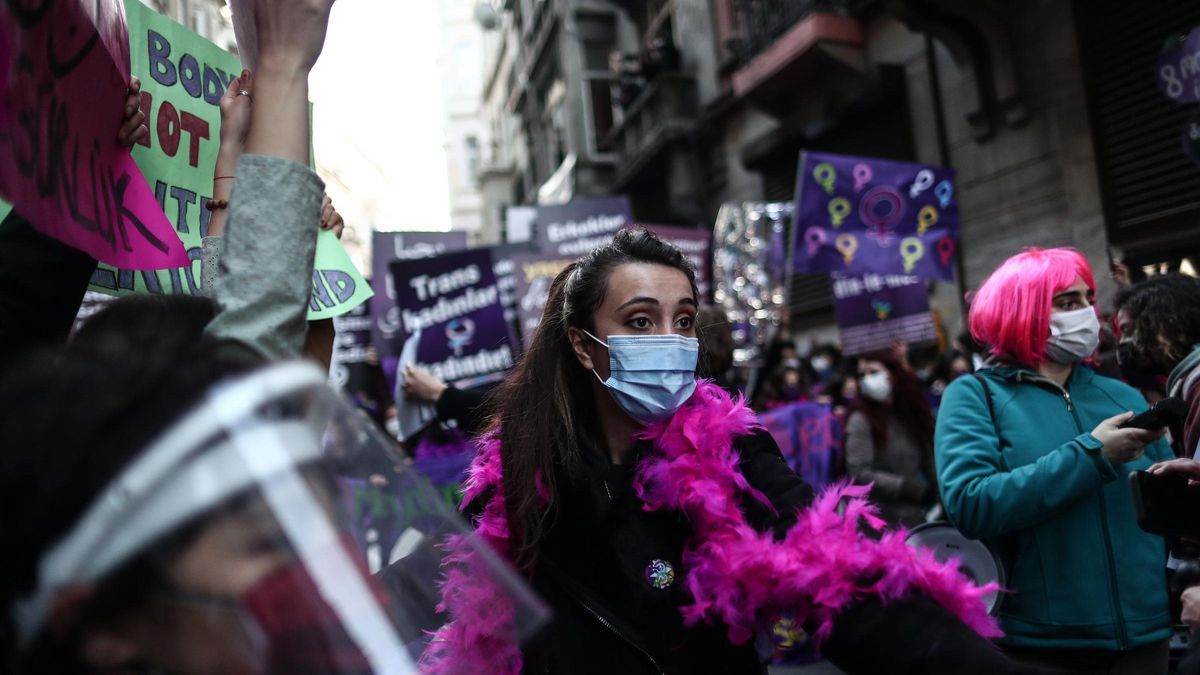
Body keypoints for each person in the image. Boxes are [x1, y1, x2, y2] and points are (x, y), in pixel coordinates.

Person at [422, 228, 1045, 675]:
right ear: (585, 347)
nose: (669, 340)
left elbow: (846, 578)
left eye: (684, 320)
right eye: (641, 322)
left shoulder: (736, 454)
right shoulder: (521, 477)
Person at [935, 247, 1175, 674]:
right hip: (1041, 646)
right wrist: (1092, 456)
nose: (1087, 312)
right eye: (1067, 302)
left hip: (1146, 636)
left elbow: (1167, 510)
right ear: (1021, 313)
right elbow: (971, 503)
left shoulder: (1120, 394)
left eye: (1087, 299)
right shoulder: (975, 396)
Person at [845, 350, 938, 528]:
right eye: (862, 375)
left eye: (873, 372)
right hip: (880, 520)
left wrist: (940, 491)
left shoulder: (908, 413)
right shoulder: (860, 420)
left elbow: (928, 459)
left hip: (915, 516)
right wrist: (904, 487)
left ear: (892, 375)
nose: (867, 379)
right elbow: (859, 471)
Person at [1112, 274, 1200, 456]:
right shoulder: (1187, 385)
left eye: (1128, 330)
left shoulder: (1196, 386)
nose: (1122, 343)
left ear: (1166, 323)